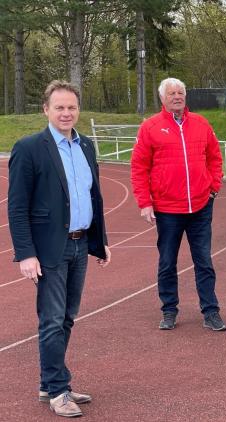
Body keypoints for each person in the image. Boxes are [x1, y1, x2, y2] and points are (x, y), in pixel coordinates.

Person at [8, 80, 112, 417]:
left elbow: (93, 196)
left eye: (71, 107)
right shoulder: (29, 148)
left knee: (67, 317)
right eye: (59, 108)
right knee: (52, 320)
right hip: (49, 250)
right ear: (46, 110)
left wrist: (101, 241)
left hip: (81, 245)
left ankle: (48, 383)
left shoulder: (86, 147)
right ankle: (57, 390)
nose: (66, 113)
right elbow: (17, 207)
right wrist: (25, 253)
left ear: (78, 110)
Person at [130, 77, 226, 331]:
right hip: (167, 209)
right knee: (167, 262)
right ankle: (169, 310)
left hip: (200, 207)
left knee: (204, 261)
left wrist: (213, 189)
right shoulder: (150, 127)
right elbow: (139, 168)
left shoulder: (201, 124)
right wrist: (145, 202)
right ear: (163, 98)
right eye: (172, 93)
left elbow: (215, 158)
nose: (177, 96)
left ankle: (211, 311)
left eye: (181, 92)